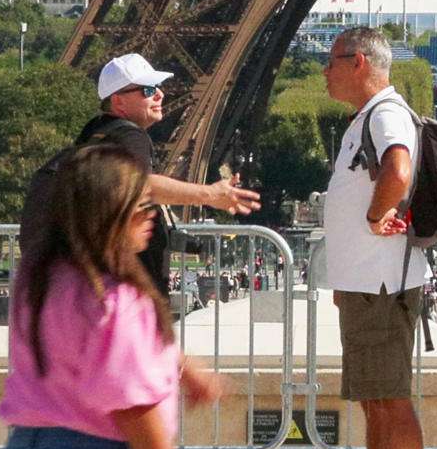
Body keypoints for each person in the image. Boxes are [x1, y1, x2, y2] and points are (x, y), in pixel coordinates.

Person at [1, 144, 225, 449]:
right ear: (109, 213)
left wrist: (181, 367)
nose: (152, 215)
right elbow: (132, 408)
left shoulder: (37, 280)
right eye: (141, 206)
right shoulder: (120, 300)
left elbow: (87, 346)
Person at [315, 27, 432, 449]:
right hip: (366, 283)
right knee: (376, 405)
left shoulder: (385, 114)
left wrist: (373, 215)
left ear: (359, 61)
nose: (325, 70)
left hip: (382, 284)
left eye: (332, 60)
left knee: (391, 403)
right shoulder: (369, 116)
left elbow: (398, 170)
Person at [22, 53, 260, 297]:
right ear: (119, 101)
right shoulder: (130, 136)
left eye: (158, 87)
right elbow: (141, 184)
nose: (160, 94)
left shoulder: (92, 135)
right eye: (148, 90)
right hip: (119, 290)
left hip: (79, 284)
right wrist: (210, 194)